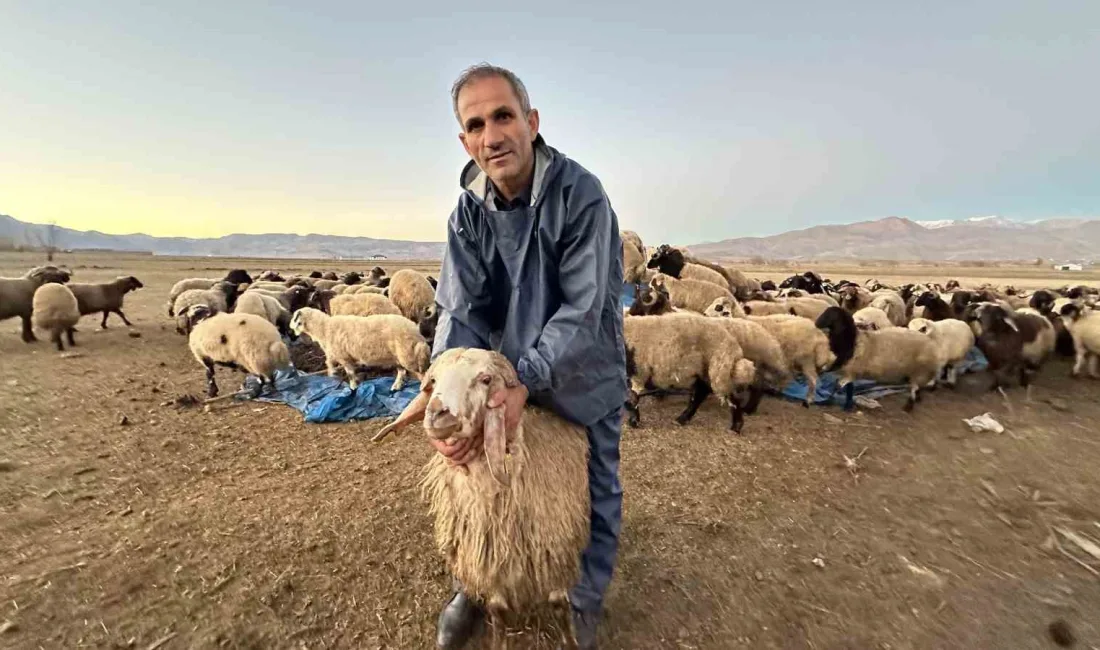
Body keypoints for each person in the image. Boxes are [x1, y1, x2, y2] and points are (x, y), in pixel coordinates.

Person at [429, 63, 628, 650]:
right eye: (476, 124)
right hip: (505, 370)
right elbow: (459, 308)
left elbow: (585, 305)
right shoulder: (467, 211)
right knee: (474, 473)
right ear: (464, 141)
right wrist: (448, 387)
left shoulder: (580, 195)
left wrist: (529, 377)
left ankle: (586, 597)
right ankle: (474, 582)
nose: (492, 134)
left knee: (598, 486)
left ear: (532, 122)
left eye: (503, 115)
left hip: (582, 365)